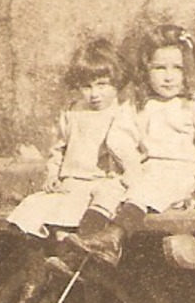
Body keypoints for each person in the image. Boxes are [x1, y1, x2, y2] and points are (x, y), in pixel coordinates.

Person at [61, 24, 195, 266]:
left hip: (180, 174)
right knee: (109, 189)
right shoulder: (138, 105)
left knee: (145, 191)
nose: (168, 76)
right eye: (159, 68)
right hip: (145, 170)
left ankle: (113, 241)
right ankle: (82, 245)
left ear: (189, 70)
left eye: (177, 68)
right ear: (146, 70)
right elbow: (119, 137)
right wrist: (131, 165)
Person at [7, 37, 126, 240]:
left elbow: (129, 154)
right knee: (38, 208)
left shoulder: (122, 113)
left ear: (116, 82)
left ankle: (73, 253)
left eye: (102, 85)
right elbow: (58, 149)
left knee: (96, 207)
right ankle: (54, 252)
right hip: (72, 181)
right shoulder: (72, 111)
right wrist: (53, 175)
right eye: (86, 87)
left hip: (101, 181)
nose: (94, 94)